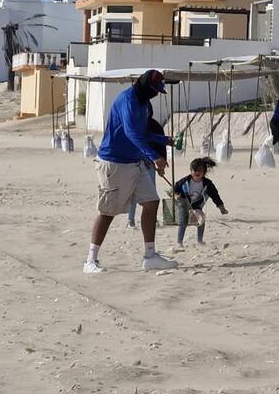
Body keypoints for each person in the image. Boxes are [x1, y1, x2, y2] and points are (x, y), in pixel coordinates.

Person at [85, 69, 177, 273]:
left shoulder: (145, 104)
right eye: (154, 90)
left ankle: (150, 255)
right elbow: (131, 133)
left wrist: (163, 140)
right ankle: (90, 261)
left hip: (134, 162)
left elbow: (143, 131)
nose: (155, 94)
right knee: (108, 212)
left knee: (151, 203)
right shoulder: (128, 100)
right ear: (145, 86)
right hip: (114, 163)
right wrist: (154, 156)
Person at [172, 157, 228, 247]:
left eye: (199, 171)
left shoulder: (207, 184)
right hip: (184, 203)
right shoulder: (184, 181)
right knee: (183, 221)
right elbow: (173, 189)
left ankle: (199, 241)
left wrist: (221, 207)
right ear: (191, 171)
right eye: (194, 170)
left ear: (204, 172)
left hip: (197, 204)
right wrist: (175, 194)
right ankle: (179, 242)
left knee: (201, 220)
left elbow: (215, 195)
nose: (196, 172)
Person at [127, 117, 166, 229]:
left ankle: (152, 219)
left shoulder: (155, 125)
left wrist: (161, 165)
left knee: (151, 195)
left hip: (150, 165)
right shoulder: (132, 123)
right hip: (133, 164)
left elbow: (161, 146)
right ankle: (130, 221)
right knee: (132, 194)